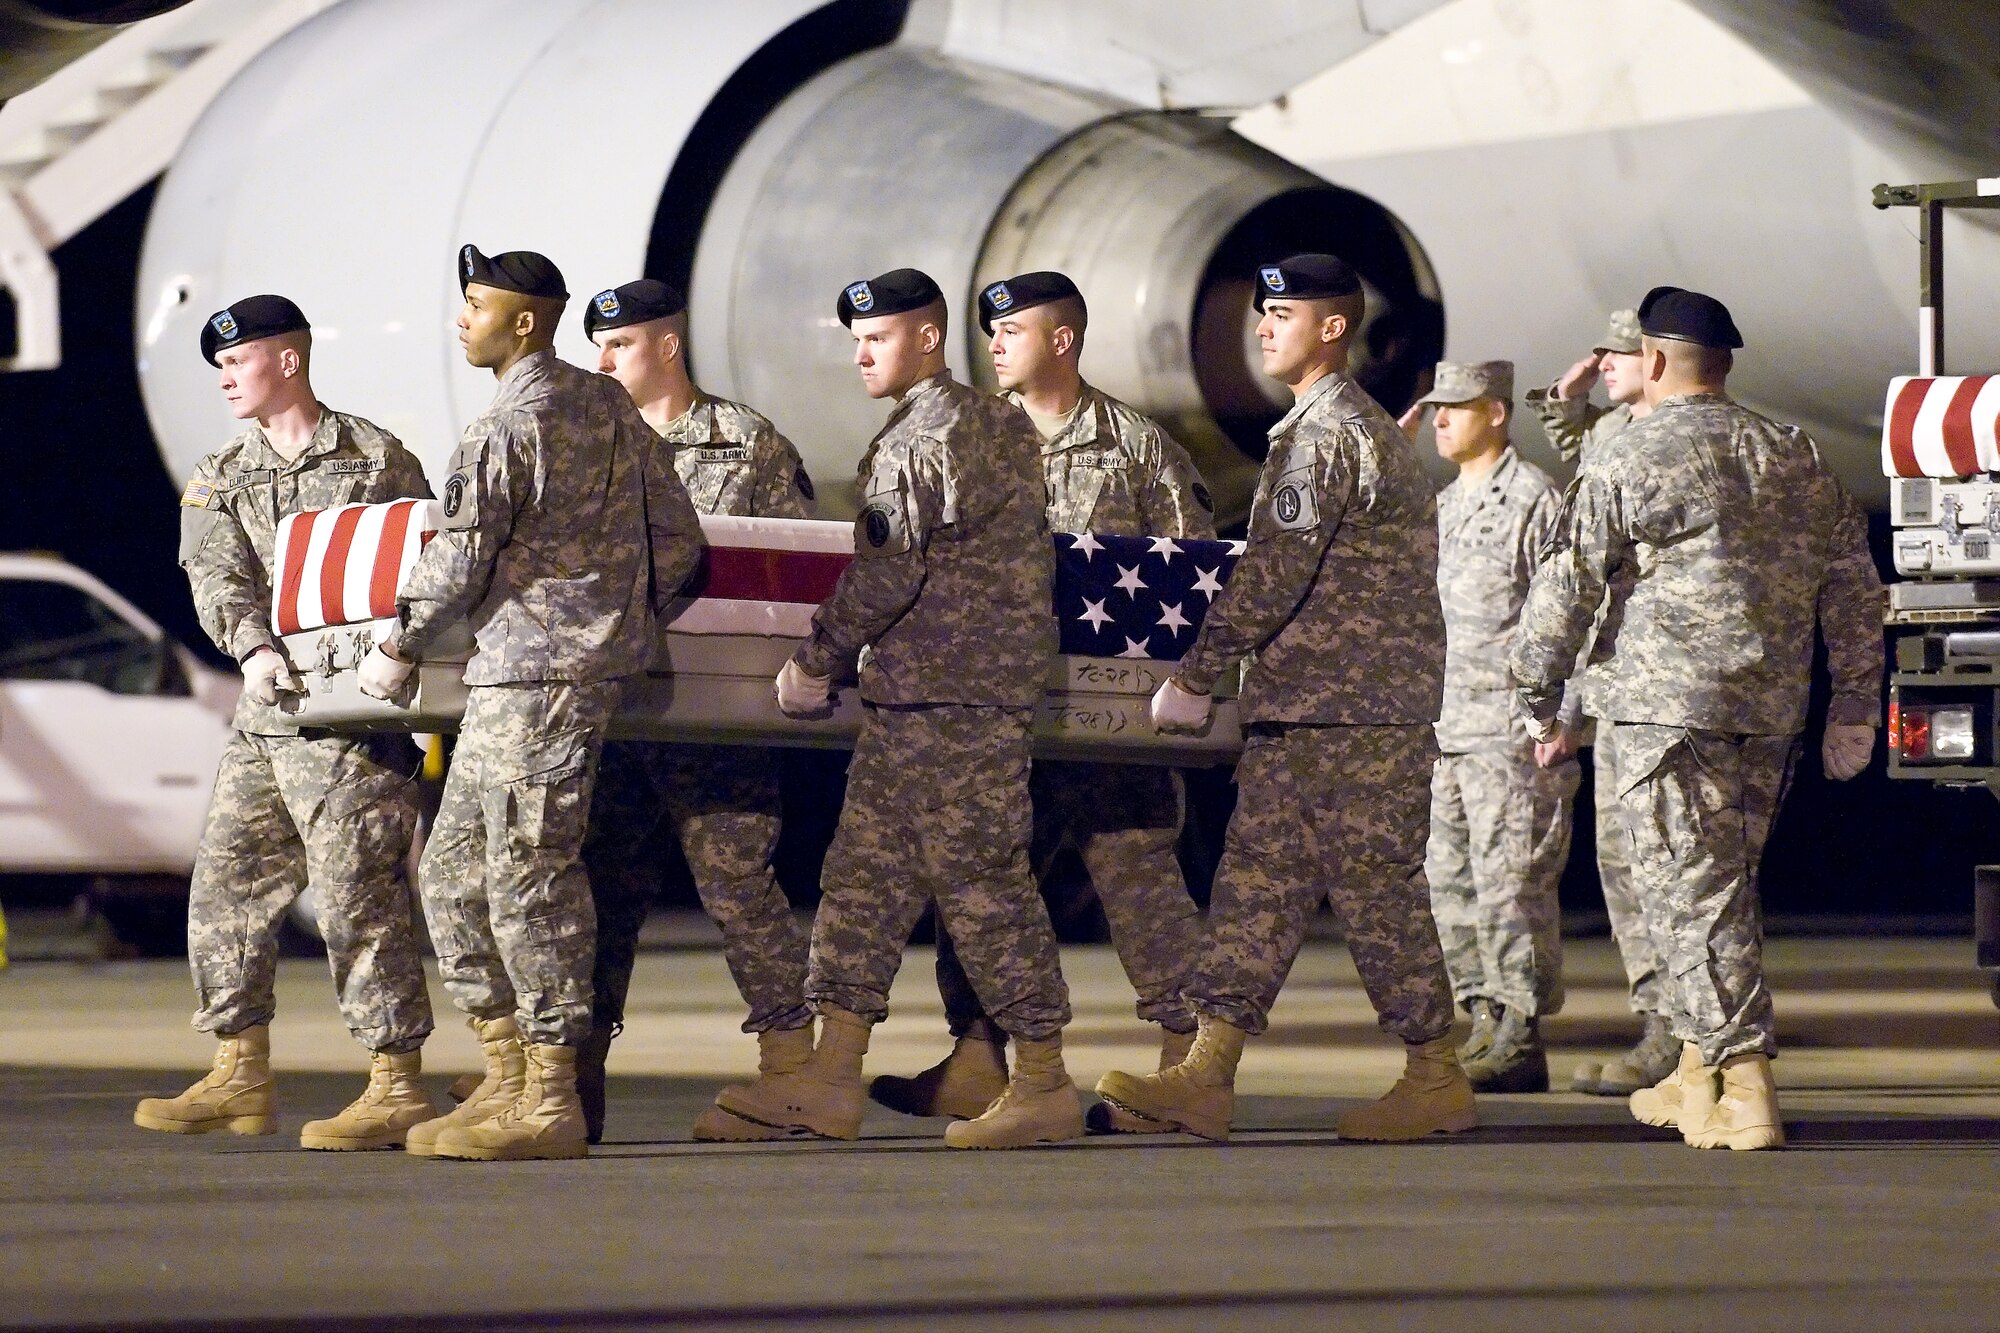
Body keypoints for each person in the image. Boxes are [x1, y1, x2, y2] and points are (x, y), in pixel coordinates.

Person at [1096, 254, 1476, 1143]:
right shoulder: (1327, 429)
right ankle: (1205, 1073)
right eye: (1262, 312)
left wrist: (1195, 674)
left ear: (1332, 327)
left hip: (1354, 714)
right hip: (1311, 708)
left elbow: (1273, 572)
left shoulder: (1326, 434)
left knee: (1376, 891)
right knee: (1255, 888)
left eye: (1282, 313)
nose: (1263, 326)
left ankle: (1435, 1073)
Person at [717, 267, 1082, 1150]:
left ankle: (1043, 1081)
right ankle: (832, 1078)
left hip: (951, 699)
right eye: (856, 339)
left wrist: (815, 660)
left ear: (927, 337)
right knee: (864, 881)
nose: (860, 354)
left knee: (983, 885)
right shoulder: (997, 422)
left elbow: (888, 568)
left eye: (877, 337)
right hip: (924, 694)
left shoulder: (925, 438)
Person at [1511, 286, 1881, 1151]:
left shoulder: (1635, 455)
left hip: (1664, 710)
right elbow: (1854, 586)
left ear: (1657, 360)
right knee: (1710, 893)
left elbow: (1568, 583)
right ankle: (1691, 1069)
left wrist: (1535, 692)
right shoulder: (1792, 450)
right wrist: (1855, 700)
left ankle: (1745, 1083)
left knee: (1693, 893)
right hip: (1769, 710)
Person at [356, 246, 704, 1161]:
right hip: (529, 677)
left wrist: (397, 644)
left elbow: (460, 557)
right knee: (453, 870)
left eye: (474, 307)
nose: (459, 320)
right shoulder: (611, 407)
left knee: (526, 874)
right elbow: (679, 535)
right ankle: (507, 1073)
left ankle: (552, 1095)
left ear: (522, 323)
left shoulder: (506, 427)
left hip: (536, 678)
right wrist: (622, 619)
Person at [867, 270, 1215, 1131]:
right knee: (977, 879)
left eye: (1011, 328)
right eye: (990, 328)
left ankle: (1188, 1066)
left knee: (1138, 875)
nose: (992, 341)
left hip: (1107, 720)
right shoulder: (971, 438)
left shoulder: (1136, 446)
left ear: (1062, 339)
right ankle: (977, 1060)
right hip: (996, 712)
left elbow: (1195, 572)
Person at [137, 295, 437, 1151]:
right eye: (220, 367)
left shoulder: (377, 458)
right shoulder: (220, 474)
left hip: (353, 715)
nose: (226, 377)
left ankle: (395, 1081)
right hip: (268, 716)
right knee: (225, 884)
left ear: (290, 360)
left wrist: (400, 665)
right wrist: (252, 646)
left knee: (356, 898)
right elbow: (214, 574)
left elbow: (421, 568)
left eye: (239, 361)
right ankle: (240, 1072)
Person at [578, 277, 816, 1143]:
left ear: (667, 346)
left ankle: (793, 1067)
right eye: (597, 348)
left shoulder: (746, 443)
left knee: (738, 888)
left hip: (714, 712)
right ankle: (572, 1069)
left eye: (622, 346)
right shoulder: (589, 448)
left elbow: (791, 576)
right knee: (598, 890)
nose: (604, 362)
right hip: (617, 706)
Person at [1404, 359, 1577, 1093]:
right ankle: (1480, 1015)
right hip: (1447, 728)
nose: (1440, 420)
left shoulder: (1535, 499)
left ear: (1497, 412)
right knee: (1450, 883)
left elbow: (1571, 610)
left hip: (1512, 731)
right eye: (1436, 408)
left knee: (1512, 884)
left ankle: (1520, 1027)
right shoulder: (1441, 504)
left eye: (1457, 407)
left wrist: (1561, 714)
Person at [1528, 309, 1676, 1095]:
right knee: (1622, 865)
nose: (1603, 362)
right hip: (1614, 679)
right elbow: (1581, 459)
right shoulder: (1615, 435)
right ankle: (1664, 1026)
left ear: (1654, 360)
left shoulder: (1667, 442)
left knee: (1673, 866)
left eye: (1618, 354)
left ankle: (1689, 1034)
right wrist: (1571, 396)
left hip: (1660, 680)